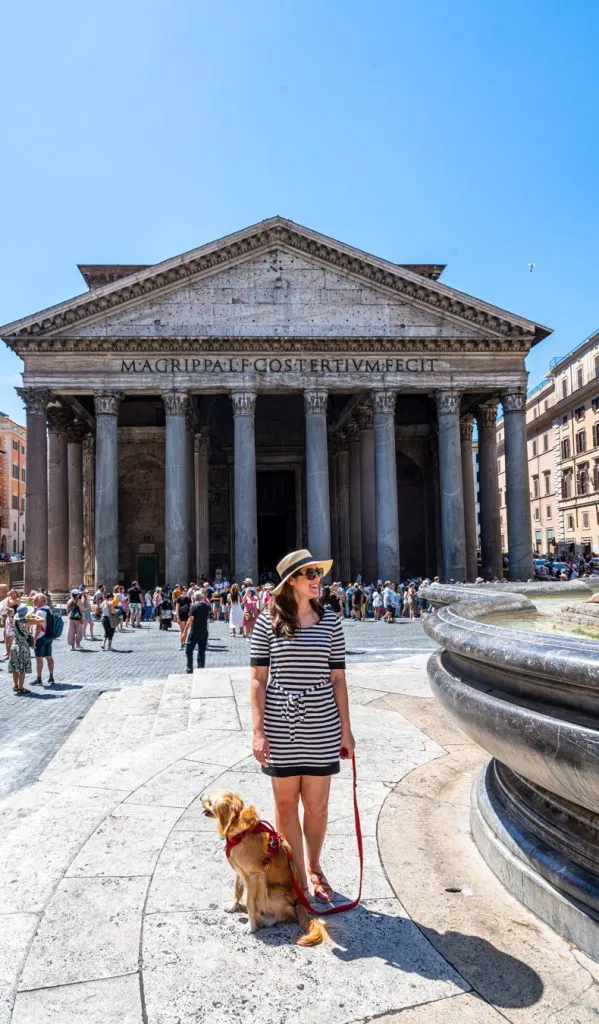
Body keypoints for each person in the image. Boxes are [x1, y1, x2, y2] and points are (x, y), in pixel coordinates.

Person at [249, 548, 355, 903]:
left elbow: (338, 678)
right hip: (281, 720)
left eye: (317, 573)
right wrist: (258, 730)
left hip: (321, 720)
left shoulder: (332, 621)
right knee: (284, 805)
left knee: (318, 805)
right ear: (290, 581)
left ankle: (315, 866)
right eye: (308, 574)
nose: (316, 579)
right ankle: (296, 875)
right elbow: (257, 679)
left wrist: (346, 729)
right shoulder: (267, 621)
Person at [9, 605, 39, 694]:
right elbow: (42, 620)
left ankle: (15, 686)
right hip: (23, 646)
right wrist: (34, 615)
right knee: (22, 669)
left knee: (15, 667)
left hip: (14, 646)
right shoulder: (27, 622)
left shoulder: (14, 621)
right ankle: (21, 687)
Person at [181, 588, 211, 671]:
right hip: (204, 631)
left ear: (194, 598)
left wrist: (184, 632)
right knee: (202, 650)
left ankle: (189, 667)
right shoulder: (206, 606)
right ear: (202, 598)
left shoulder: (194, 607)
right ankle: (201, 667)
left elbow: (190, 620)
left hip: (195, 631)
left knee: (189, 648)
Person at [32, 592, 56, 686]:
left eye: (35, 599)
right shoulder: (48, 609)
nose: (33, 600)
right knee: (49, 656)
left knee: (39, 659)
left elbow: (38, 627)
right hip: (48, 636)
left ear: (41, 601)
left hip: (40, 637)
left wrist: (34, 639)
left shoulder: (40, 612)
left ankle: (39, 678)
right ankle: (51, 676)